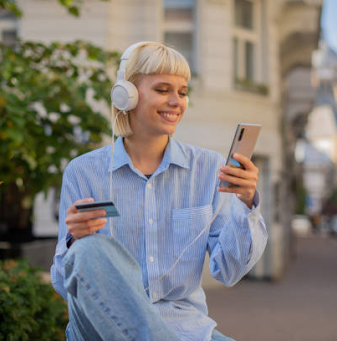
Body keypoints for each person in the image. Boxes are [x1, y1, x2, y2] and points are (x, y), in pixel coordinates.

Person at [51, 41, 268, 341]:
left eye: (182, 92)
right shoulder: (83, 172)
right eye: (163, 90)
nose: (177, 101)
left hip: (184, 329)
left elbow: (228, 271)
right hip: (101, 329)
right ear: (126, 95)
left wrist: (246, 205)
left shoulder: (207, 169)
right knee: (88, 250)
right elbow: (65, 285)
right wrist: (74, 240)